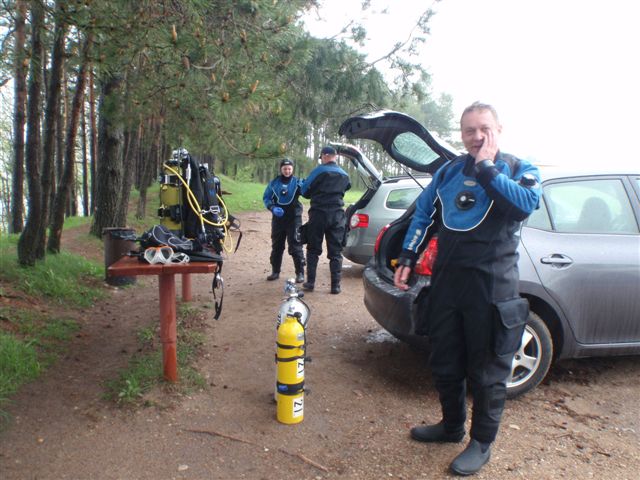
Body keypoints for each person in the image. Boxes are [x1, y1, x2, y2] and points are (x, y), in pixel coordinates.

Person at [393, 102, 541, 476]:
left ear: (499, 129)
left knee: (488, 369)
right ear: (461, 133)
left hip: (491, 287)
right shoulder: (448, 172)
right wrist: (408, 256)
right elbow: (424, 212)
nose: (477, 137)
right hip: (447, 283)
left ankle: (481, 443)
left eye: (484, 129)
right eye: (469, 130)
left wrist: (488, 168)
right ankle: (451, 426)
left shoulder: (519, 168)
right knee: (445, 360)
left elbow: (523, 205)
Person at [300, 145, 351, 294]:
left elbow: (304, 191)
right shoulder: (344, 174)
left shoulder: (319, 171)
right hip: (337, 215)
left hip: (319, 214)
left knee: (313, 249)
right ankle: (335, 286)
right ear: (335, 157)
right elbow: (347, 187)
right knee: (336, 252)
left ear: (324, 156)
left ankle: (310, 283)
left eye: (321, 157)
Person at [263, 158, 305, 283]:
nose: (287, 171)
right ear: (281, 169)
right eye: (285, 169)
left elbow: (308, 192)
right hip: (278, 219)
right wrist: (272, 207)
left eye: (289, 169)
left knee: (295, 245)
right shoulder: (274, 183)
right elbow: (266, 197)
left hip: (294, 218)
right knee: (277, 246)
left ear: (292, 169)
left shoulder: (297, 182)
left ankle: (300, 273)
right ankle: (275, 271)